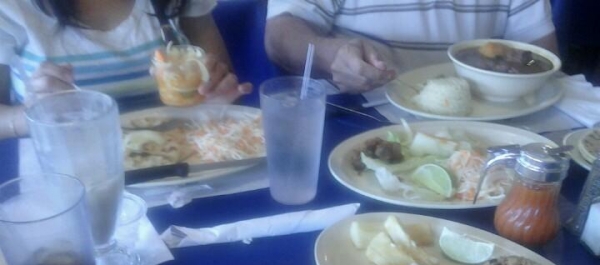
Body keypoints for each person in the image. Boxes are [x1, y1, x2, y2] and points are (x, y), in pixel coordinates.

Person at [0, 0, 253, 139]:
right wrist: (29, 117)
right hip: (72, 176)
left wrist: (216, 97)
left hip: (183, 162)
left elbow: (221, 85)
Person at [265, 0, 559, 94]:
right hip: (364, 119)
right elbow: (280, 35)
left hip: (492, 121)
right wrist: (334, 56)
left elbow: (543, 57)